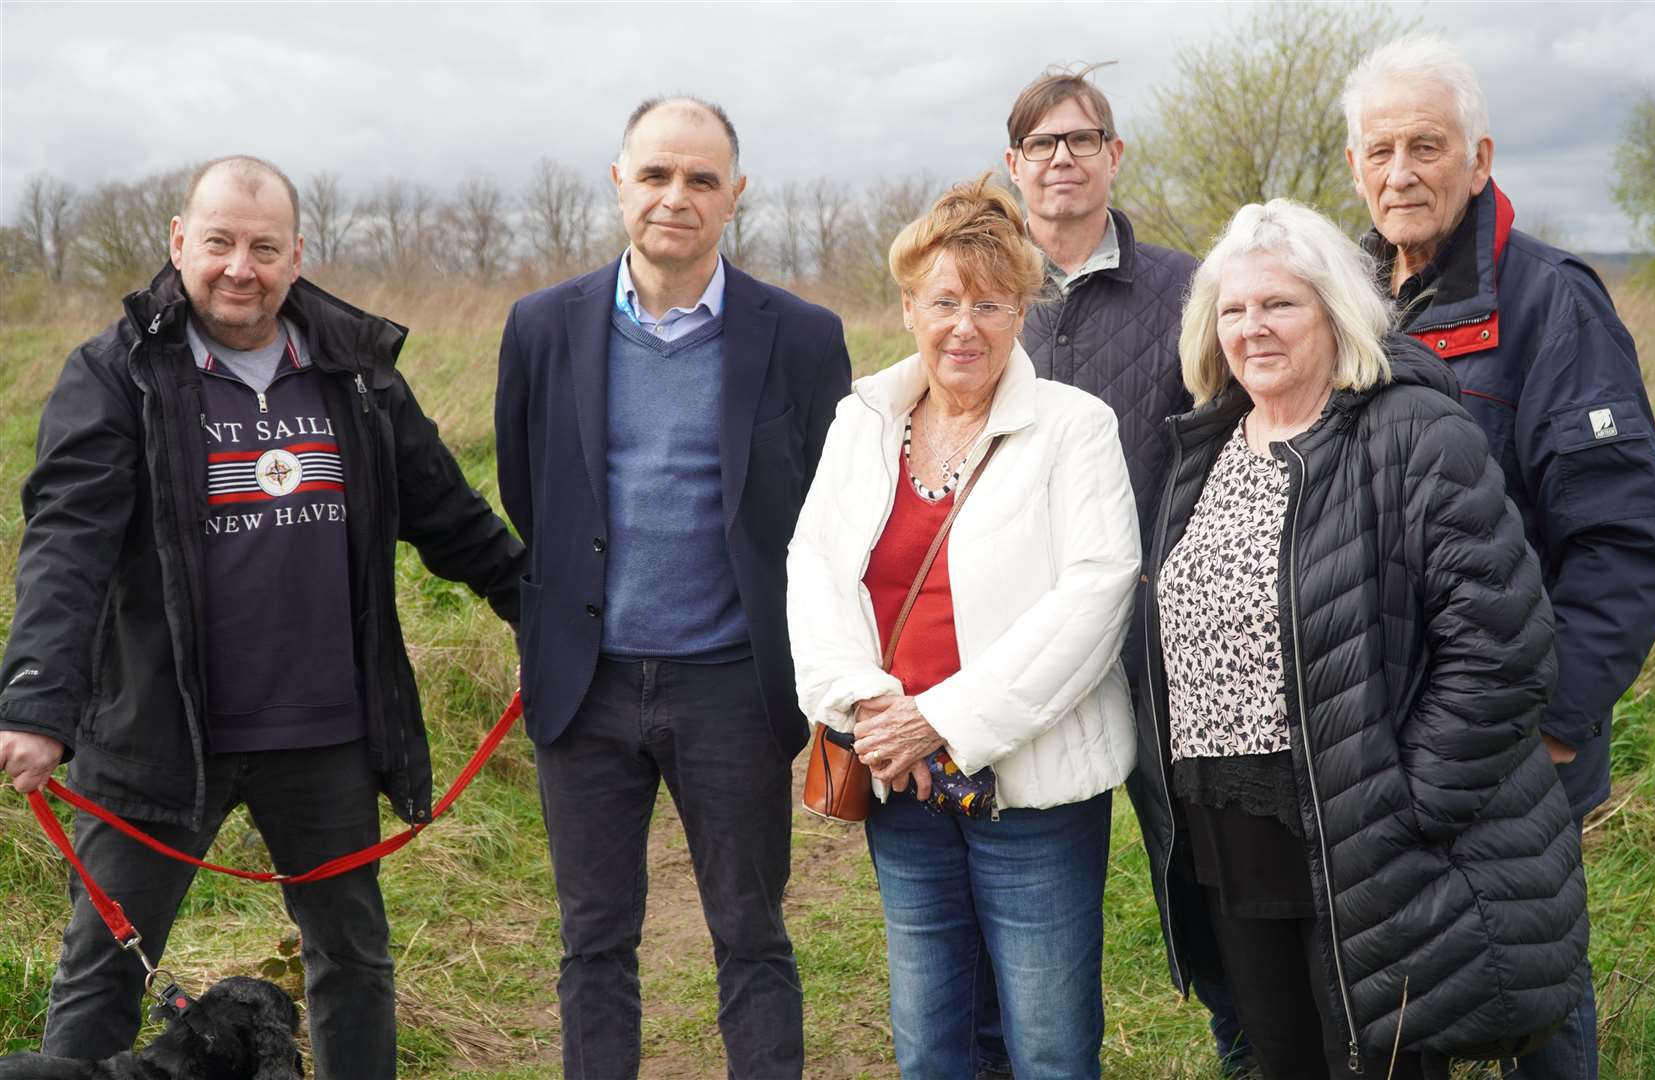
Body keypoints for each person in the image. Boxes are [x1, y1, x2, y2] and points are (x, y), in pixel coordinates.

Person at [0, 155, 525, 1079]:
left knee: (352, 960)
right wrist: (38, 701)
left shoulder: (354, 375)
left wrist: (541, 615)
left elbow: (449, 515)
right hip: (156, 736)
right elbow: (66, 548)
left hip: (324, 734)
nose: (239, 266)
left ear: (295, 255)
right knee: (102, 972)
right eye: (219, 243)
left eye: (263, 247)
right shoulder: (114, 375)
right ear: (178, 242)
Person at [1127, 198, 1589, 1080]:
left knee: (1375, 1066)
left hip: (1362, 842)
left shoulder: (1410, 431)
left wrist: (1410, 805)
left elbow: (1500, 646)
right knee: (1283, 1058)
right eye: (1232, 309)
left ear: (1334, 310)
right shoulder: (1209, 442)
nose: (1251, 327)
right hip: (1228, 832)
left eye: (1279, 305)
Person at [494, 96, 850, 1079]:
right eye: (654, 175)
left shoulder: (803, 337)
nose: (674, 198)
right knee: (593, 940)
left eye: (700, 179)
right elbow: (532, 492)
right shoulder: (539, 328)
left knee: (750, 933)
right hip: (587, 682)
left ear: (735, 195)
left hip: (732, 683)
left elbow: (829, 515)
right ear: (618, 184)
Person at [1341, 36, 1655, 1080]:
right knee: (1397, 980)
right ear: (1352, 166)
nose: (1399, 172)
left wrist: (1560, 727)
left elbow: (1619, 542)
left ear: (1477, 158)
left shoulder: (1547, 303)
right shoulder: (1337, 299)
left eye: (1425, 146)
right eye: (1379, 149)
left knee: (1533, 987)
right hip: (1378, 728)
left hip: (1516, 731)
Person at [786, 176, 1141, 1079]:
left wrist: (941, 719)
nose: (964, 326)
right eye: (944, 300)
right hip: (898, 783)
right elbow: (815, 568)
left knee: (1050, 1049)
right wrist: (869, 708)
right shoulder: (860, 423)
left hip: (1033, 791)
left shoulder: (1074, 428)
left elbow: (1098, 592)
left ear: (1021, 311)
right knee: (930, 1041)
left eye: (989, 303)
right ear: (908, 307)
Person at [1002, 64, 1248, 1078]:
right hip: (1015, 643)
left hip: (1162, 647)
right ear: (1011, 165)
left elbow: (1237, 450)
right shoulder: (983, 291)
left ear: (1112, 157)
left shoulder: (1189, 289)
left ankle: (1250, 1044)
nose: (1061, 158)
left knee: (1209, 876)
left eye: (1080, 139)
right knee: (1014, 888)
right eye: (1040, 143)